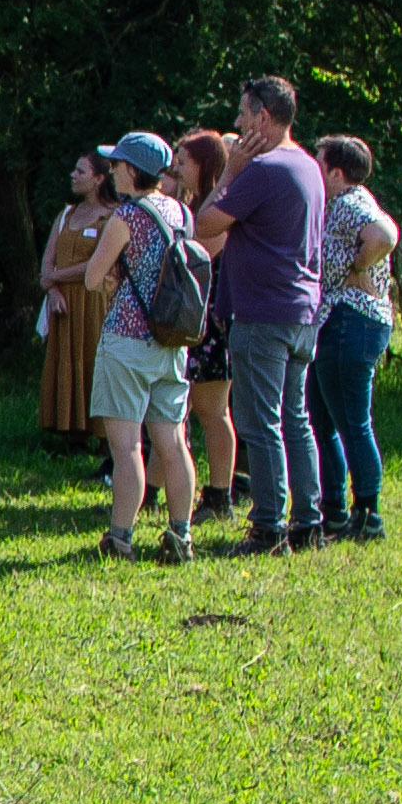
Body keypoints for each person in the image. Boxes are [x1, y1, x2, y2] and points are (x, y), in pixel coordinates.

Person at [191, 73, 330, 553]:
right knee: (295, 418)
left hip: (262, 313)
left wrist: (230, 172)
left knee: (260, 422)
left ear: (263, 118)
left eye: (243, 112)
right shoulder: (307, 165)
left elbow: (204, 224)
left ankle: (269, 526)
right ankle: (307, 522)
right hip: (301, 310)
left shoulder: (263, 169)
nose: (236, 120)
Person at [77, 128, 202, 564]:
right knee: (173, 440)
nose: (111, 170)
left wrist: (114, 274)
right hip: (172, 338)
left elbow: (92, 278)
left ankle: (121, 538)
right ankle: (180, 535)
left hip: (128, 338)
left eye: (116, 164)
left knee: (127, 446)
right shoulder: (182, 212)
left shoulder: (126, 217)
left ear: (131, 170)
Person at [313, 132, 401, 543]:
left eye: (320, 162)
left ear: (336, 172)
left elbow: (385, 235)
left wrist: (358, 265)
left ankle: (368, 514)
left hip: (353, 321)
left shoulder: (352, 202)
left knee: (352, 422)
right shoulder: (339, 204)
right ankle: (333, 510)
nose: (314, 168)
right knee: (323, 420)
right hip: (337, 322)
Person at [171, 128, 238, 517]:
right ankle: (155, 489)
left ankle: (220, 495)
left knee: (213, 411)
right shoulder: (192, 204)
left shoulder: (219, 209)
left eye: (184, 162)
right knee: (177, 410)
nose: (177, 170)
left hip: (212, 323)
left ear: (205, 165)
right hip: (189, 321)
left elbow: (199, 253)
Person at [34, 152, 112, 446]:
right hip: (64, 304)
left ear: (99, 179)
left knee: (94, 361)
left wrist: (55, 277)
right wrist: (52, 289)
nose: (73, 175)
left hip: (95, 303)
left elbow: (97, 264)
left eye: (81, 172)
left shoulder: (113, 216)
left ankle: (102, 434)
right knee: (66, 360)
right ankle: (69, 431)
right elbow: (48, 259)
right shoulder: (66, 214)